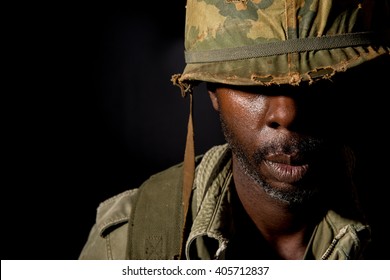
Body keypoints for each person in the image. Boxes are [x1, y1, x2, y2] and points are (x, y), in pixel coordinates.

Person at [79, 0, 389, 260]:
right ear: (213, 90)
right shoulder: (129, 241)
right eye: (254, 83)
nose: (287, 113)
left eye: (321, 79)